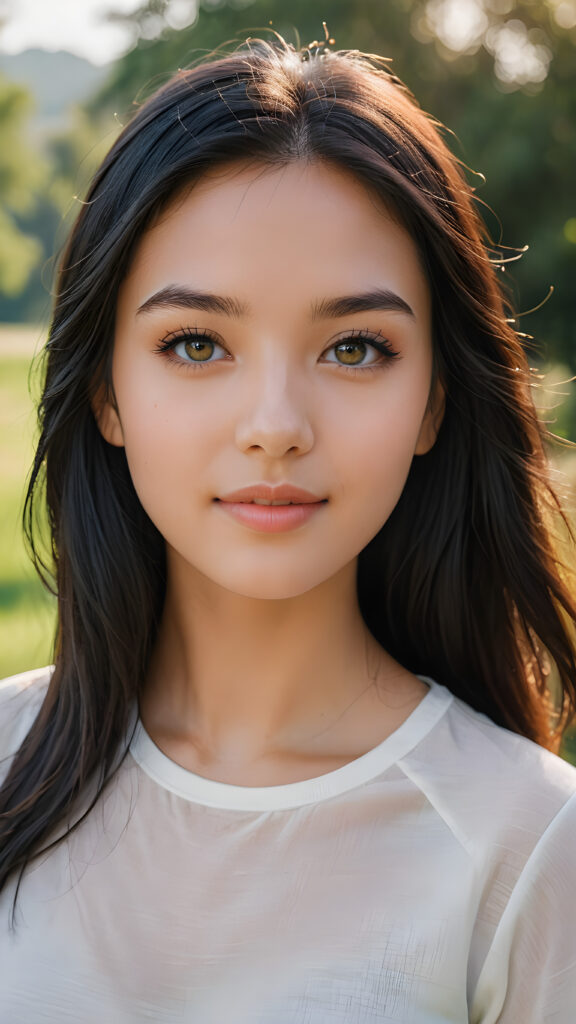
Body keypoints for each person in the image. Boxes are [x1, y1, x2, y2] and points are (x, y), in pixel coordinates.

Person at [0, 33, 575, 1023]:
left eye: (354, 348)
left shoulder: (530, 849)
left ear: (434, 400)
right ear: (105, 392)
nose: (275, 426)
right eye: (196, 343)